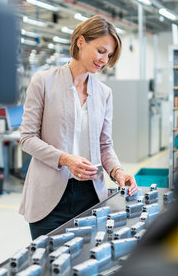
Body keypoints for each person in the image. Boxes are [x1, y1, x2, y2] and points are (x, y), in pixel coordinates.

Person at [19, 15, 139, 239]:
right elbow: (27, 138)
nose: (104, 60)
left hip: (91, 196)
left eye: (110, 55)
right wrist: (65, 159)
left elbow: (104, 144)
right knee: (48, 265)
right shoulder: (43, 81)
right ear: (81, 41)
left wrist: (117, 171)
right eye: (101, 51)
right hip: (49, 198)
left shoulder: (104, 93)